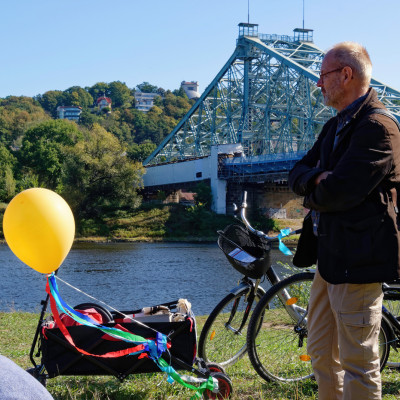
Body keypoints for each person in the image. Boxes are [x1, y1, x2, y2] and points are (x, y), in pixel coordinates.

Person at [289, 41, 400, 400]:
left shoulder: (378, 127)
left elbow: (340, 192)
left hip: (358, 261)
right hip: (329, 258)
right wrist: (317, 179)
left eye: (323, 76)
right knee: (322, 354)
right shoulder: (336, 125)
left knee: (358, 363)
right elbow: (297, 172)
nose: (318, 85)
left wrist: (318, 184)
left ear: (346, 74)